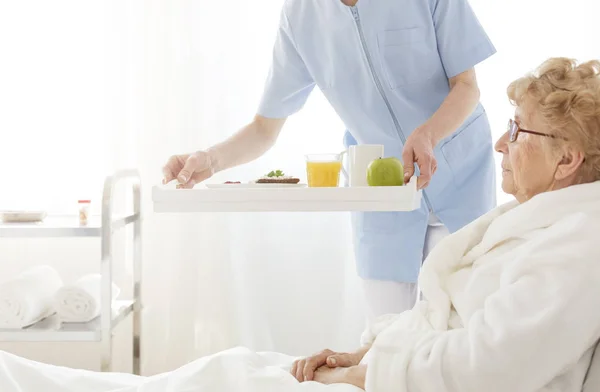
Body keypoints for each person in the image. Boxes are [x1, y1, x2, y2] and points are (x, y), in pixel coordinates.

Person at [3, 57, 598, 392]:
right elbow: (267, 125)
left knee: (229, 378)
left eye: (518, 130)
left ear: (568, 158)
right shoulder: (542, 225)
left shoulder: (576, 247)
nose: (500, 141)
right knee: (230, 368)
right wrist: (362, 350)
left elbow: (488, 366)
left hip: (399, 376)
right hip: (396, 363)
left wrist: (368, 372)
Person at [162, 0, 498, 321]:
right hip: (380, 195)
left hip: (460, 175)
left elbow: (466, 86)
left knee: (458, 327)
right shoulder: (299, 16)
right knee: (386, 337)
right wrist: (210, 160)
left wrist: (428, 134)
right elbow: (265, 127)